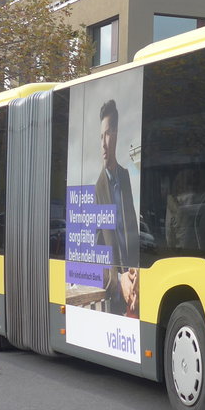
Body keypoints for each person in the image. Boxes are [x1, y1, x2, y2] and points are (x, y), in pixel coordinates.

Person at [94, 98, 140, 317]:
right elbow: (94, 253)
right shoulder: (97, 188)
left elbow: (131, 233)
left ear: (117, 134)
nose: (104, 143)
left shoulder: (124, 176)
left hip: (135, 285)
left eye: (108, 134)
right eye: (100, 136)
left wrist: (136, 272)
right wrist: (119, 277)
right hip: (116, 294)